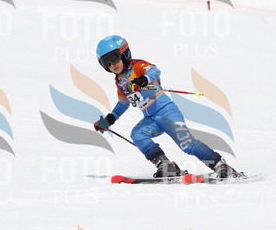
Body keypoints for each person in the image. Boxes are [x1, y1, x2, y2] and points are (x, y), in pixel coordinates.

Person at [93, 35, 238, 179]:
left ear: (124, 53)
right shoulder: (120, 82)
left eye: (114, 58)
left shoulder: (137, 66)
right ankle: (166, 167)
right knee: (138, 135)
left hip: (167, 113)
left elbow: (155, 71)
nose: (112, 65)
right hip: (151, 119)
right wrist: (108, 120)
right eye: (106, 63)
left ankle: (221, 166)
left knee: (187, 144)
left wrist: (144, 79)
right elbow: (123, 103)